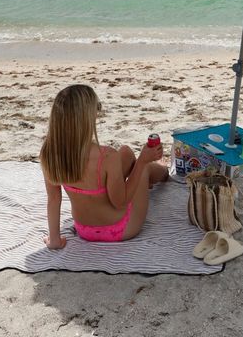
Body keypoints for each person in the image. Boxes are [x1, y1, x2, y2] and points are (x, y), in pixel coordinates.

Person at [40, 84, 168, 249]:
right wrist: (143, 161)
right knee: (144, 169)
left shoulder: (50, 153)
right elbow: (121, 202)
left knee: (126, 153)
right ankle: (163, 172)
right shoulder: (106, 156)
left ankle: (151, 172)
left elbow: (54, 199)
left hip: (84, 230)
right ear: (87, 120)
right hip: (120, 229)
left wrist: (55, 240)